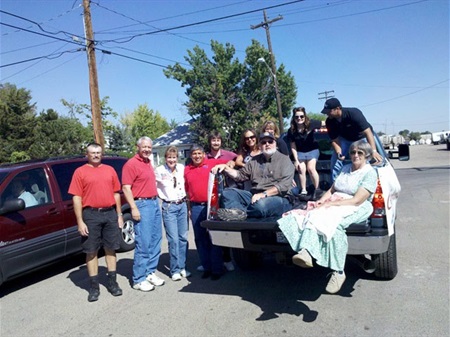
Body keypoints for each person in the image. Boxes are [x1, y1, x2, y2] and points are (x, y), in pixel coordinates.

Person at [277, 140, 378, 294]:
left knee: (333, 223)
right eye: (353, 152)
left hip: (356, 205)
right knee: (311, 214)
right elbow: (332, 189)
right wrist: (321, 201)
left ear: (367, 155)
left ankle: (338, 272)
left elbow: (357, 200)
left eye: (360, 153)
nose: (355, 155)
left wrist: (330, 205)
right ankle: (306, 252)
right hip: (336, 201)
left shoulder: (369, 173)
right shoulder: (345, 168)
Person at [68, 142, 124, 302]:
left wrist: (119, 214)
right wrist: (80, 221)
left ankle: (113, 283)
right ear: (87, 154)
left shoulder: (110, 170)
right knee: (91, 251)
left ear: (102, 154)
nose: (96, 155)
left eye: (98, 152)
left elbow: (116, 194)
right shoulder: (80, 172)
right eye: (92, 152)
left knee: (111, 248)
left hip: (110, 214)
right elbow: (76, 198)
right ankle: (94, 287)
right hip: (91, 215)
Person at [212, 132, 295, 220]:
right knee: (227, 193)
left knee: (261, 205)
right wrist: (226, 168)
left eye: (270, 142)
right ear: (259, 145)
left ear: (275, 144)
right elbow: (240, 175)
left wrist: (264, 194)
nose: (267, 144)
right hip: (255, 196)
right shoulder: (254, 160)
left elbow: (284, 185)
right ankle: (238, 213)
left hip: (278, 197)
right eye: (263, 142)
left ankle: (239, 213)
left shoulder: (285, 160)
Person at [122, 136, 165, 292]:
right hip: (141, 204)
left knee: (156, 239)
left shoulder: (148, 163)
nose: (147, 150)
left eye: (149, 147)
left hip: (153, 203)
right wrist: (133, 208)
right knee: (144, 242)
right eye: (144, 147)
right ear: (138, 147)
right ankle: (138, 279)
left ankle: (150, 272)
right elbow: (126, 188)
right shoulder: (131, 164)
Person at [184, 144, 229, 280]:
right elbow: (187, 190)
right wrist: (189, 208)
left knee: (213, 238)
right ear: (190, 156)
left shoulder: (211, 163)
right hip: (196, 206)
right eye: (194, 154)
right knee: (200, 238)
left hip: (212, 206)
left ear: (204, 154)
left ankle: (217, 269)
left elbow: (233, 161)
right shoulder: (187, 169)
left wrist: (222, 166)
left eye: (199, 153)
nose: (197, 156)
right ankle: (206, 267)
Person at [321, 97, 383, 181]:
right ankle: (335, 185)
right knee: (335, 161)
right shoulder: (329, 121)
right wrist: (339, 153)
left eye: (329, 111)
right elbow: (335, 140)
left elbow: (368, 132)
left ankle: (367, 183)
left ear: (338, 109)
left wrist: (374, 151)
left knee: (365, 159)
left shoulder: (353, 113)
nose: (327, 114)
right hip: (345, 140)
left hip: (361, 138)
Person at [154, 146, 191, 281]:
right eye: (169, 157)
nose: (172, 160)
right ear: (165, 158)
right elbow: (151, 184)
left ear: (177, 158)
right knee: (173, 239)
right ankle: (174, 269)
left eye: (174, 157)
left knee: (183, 238)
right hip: (169, 206)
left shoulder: (181, 168)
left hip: (182, 205)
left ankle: (182, 267)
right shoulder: (159, 171)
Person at [205, 131, 237, 272]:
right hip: (211, 199)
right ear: (210, 142)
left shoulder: (229, 155)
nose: (216, 142)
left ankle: (227, 258)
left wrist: (232, 163)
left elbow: (239, 160)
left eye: (218, 140)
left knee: (226, 228)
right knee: (211, 229)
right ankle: (212, 260)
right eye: (213, 140)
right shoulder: (205, 157)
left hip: (226, 197)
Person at [287, 107, 322, 200]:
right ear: (294, 118)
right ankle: (303, 190)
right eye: (296, 117)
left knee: (310, 168)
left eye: (301, 116)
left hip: (313, 150)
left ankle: (317, 189)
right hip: (300, 152)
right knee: (301, 168)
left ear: (305, 116)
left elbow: (324, 123)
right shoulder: (291, 131)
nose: (299, 118)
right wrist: (296, 160)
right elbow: (293, 146)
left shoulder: (311, 124)